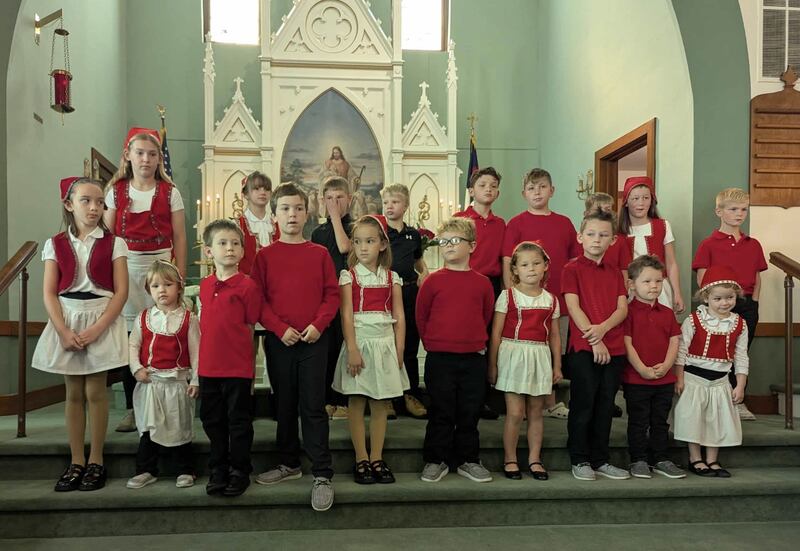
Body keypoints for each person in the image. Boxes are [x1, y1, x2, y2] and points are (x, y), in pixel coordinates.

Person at [32, 177, 129, 492]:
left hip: (100, 317)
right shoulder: (55, 243)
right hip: (68, 318)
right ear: (69, 204)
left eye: (100, 202)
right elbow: (49, 293)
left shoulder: (115, 242)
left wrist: (99, 328)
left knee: (96, 392)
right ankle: (76, 460)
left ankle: (97, 460)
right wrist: (62, 330)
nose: (94, 207)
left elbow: (121, 292)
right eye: (86, 200)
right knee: (73, 393)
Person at [252, 183, 340, 512]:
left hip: (315, 339)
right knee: (285, 403)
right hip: (280, 340)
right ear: (274, 215)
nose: (292, 214)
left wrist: (318, 324)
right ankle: (289, 463)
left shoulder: (319, 254)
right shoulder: (265, 256)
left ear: (306, 212)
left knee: (313, 405)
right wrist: (278, 328)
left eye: (298, 208)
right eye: (285, 208)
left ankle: (322, 473)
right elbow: (258, 299)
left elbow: (332, 294)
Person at [104, 127, 187, 433]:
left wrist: (176, 273)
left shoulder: (170, 192)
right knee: (133, 337)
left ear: (158, 159)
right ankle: (133, 406)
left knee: (162, 331)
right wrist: (110, 275)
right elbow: (109, 237)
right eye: (140, 153)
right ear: (128, 156)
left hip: (161, 265)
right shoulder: (115, 192)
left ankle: (168, 401)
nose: (146, 159)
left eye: (152, 154)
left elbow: (179, 235)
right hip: (126, 266)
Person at [332, 215, 409, 484]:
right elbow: (346, 316)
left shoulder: (392, 277)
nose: (363, 247)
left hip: (385, 346)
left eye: (370, 241)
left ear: (383, 245)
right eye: (358, 242)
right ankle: (361, 458)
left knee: (380, 403)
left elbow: (399, 315)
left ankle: (377, 457)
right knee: (357, 401)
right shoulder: (349, 276)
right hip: (361, 345)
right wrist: (352, 348)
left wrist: (399, 350)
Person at [417, 218, 495, 483]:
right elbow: (421, 316)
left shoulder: (483, 283)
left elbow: (485, 315)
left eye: (455, 241)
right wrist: (433, 344)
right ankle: (435, 459)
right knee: (441, 410)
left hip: (473, 358)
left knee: (469, 412)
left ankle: (468, 459)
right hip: (440, 357)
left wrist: (471, 341)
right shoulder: (432, 281)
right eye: (443, 241)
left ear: (472, 246)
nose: (448, 246)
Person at [502, 168, 580, 420]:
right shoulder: (516, 223)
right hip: (523, 300)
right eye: (532, 188)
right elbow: (507, 260)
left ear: (552, 190)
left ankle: (550, 401)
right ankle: (524, 402)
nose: (537, 192)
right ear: (524, 193)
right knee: (527, 347)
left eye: (542, 186)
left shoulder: (564, 223)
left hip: (558, 298)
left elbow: (575, 260)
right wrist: (511, 293)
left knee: (550, 348)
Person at [562, 209, 630, 481]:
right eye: (591, 234)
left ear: (613, 240)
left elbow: (622, 309)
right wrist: (595, 338)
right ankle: (579, 459)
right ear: (580, 237)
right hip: (583, 347)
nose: (596, 240)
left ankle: (600, 459)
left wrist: (603, 331)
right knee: (584, 403)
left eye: (603, 235)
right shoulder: (572, 269)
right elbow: (573, 307)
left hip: (613, 346)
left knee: (605, 405)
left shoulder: (615, 273)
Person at [198, 219, 262, 497]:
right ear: (209, 251)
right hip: (209, 368)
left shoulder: (248, 287)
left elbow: (251, 329)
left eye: (236, 243)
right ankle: (218, 469)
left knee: (238, 422)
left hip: (237, 368)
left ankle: (239, 469)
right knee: (212, 421)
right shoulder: (204, 285)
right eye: (222, 243)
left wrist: (250, 370)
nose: (230, 248)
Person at [488, 241, 561, 481]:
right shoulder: (507, 296)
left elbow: (555, 336)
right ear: (515, 269)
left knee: (536, 411)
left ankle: (534, 459)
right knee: (516, 412)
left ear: (545, 267)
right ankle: (510, 458)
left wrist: (557, 365)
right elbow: (496, 333)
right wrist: (493, 364)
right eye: (525, 264)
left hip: (539, 356)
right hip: (513, 356)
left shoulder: (551, 300)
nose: (531, 269)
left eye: (536, 263)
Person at [692, 187, 766, 421]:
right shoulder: (708, 244)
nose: (739, 214)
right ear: (719, 211)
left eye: (744, 209)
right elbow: (701, 277)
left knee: (740, 352)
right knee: (717, 352)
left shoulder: (753, 244)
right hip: (717, 306)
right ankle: (713, 402)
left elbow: (757, 276)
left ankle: (738, 401)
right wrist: (710, 306)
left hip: (746, 305)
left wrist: (753, 303)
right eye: (733, 209)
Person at [126, 260, 199, 489]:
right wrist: (136, 368)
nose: (162, 290)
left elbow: (197, 352)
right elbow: (132, 345)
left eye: (167, 285)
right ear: (149, 290)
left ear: (179, 287)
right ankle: (146, 469)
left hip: (177, 383)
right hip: (151, 383)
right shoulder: (143, 318)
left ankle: (185, 468)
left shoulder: (189, 319)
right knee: (149, 426)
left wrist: (196, 380)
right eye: (156, 286)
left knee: (179, 425)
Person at [674, 266, 749, 478]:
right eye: (718, 298)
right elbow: (681, 350)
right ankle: (695, 458)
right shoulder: (694, 320)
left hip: (720, 380)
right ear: (706, 298)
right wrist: (679, 377)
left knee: (716, 420)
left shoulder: (739, 324)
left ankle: (712, 459)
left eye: (729, 297)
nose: (724, 303)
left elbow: (742, 356)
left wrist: (740, 385)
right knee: (694, 419)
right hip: (694, 378)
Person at [622, 255, 685, 479]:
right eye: (647, 281)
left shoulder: (667, 313)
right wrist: (642, 369)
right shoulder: (627, 312)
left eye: (658, 281)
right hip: (636, 378)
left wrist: (667, 365)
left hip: (664, 379)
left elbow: (674, 341)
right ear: (632, 284)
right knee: (638, 421)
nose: (653, 286)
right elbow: (627, 342)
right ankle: (638, 459)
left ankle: (660, 458)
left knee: (660, 421)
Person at [456, 167, 506, 420]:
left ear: (497, 192)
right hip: (464, 283)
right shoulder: (460, 220)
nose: (488, 188)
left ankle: (482, 397)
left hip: (492, 284)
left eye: (493, 185)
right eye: (483, 184)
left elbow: (505, 260)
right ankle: (458, 396)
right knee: (465, 337)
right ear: (472, 190)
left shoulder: (500, 224)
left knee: (486, 341)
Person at [381, 183, 429, 419]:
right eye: (386, 203)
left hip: (410, 293)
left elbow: (418, 261)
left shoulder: (414, 235)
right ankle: (388, 398)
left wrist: (425, 275)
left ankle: (410, 394)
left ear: (406, 205)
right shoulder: (379, 235)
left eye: (395, 202)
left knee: (409, 344)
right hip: (387, 294)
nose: (390, 207)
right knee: (388, 344)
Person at [312, 176, 354, 420]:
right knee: (325, 349)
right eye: (329, 199)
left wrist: (336, 217)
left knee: (343, 347)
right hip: (325, 298)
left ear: (349, 199)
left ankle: (343, 400)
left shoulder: (355, 227)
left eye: (339, 198)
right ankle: (328, 398)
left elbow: (344, 248)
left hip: (347, 295)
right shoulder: (318, 232)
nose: (334, 203)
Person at [617, 176, 684, 312]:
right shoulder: (617, 232)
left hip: (659, 288)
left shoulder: (663, 226)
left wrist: (677, 293)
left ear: (652, 201)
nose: (641, 203)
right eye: (635, 198)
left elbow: (671, 263)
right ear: (626, 202)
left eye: (646, 198)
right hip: (630, 289)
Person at [238, 171, 275, 275]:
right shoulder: (238, 225)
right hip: (246, 285)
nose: (263, 192)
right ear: (245, 194)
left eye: (267, 189)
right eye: (257, 188)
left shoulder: (277, 224)